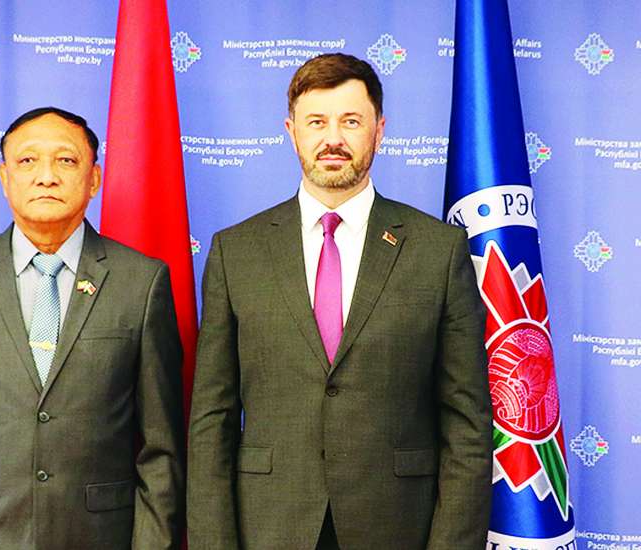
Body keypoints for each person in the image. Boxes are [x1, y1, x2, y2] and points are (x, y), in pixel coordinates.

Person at [187, 53, 493, 550]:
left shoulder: (438, 251)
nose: (333, 138)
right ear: (292, 132)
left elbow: (467, 426)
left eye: (351, 121)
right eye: (317, 122)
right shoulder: (235, 251)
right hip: (269, 527)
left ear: (379, 131)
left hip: (397, 527)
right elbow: (211, 421)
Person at [0, 107, 185, 549]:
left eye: (66, 161)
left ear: (94, 179)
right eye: (28, 161)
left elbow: (160, 452)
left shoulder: (141, 283)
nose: (46, 177)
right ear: (5, 177)